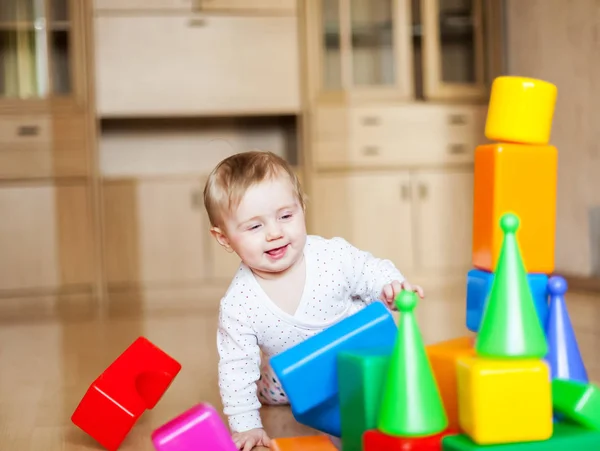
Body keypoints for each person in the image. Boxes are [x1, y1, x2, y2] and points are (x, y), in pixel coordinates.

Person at [203, 150, 424, 451]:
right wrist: (247, 426)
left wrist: (391, 287)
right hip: (293, 381)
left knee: (388, 399)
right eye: (255, 226)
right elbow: (235, 368)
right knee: (277, 389)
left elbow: (369, 269)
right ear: (224, 238)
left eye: (286, 216)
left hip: (360, 357)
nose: (275, 233)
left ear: (302, 207)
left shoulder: (331, 256)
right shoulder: (238, 305)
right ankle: (270, 383)